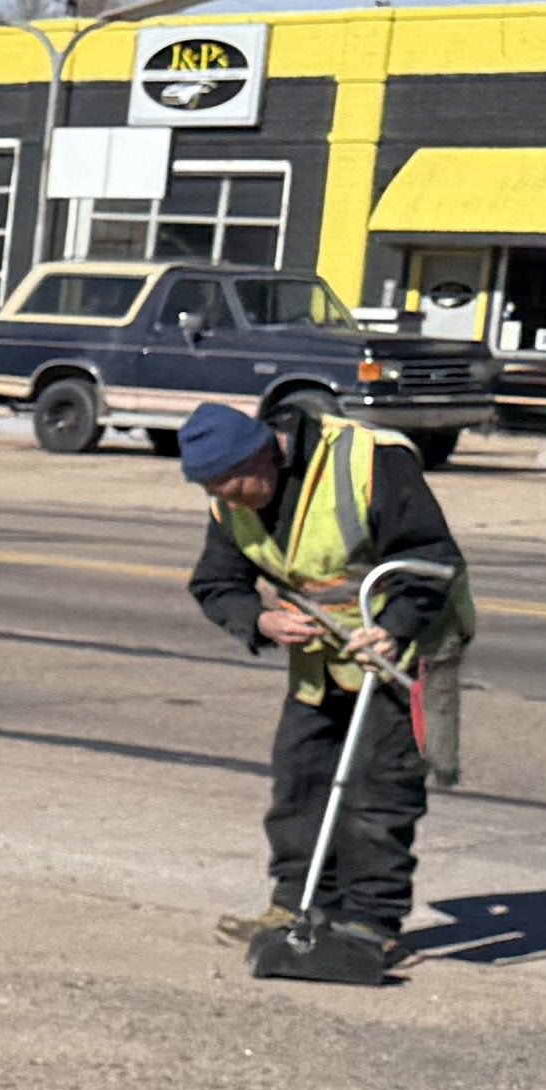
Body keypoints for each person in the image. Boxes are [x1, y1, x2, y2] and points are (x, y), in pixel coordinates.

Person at [180, 396, 467, 981]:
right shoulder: (228, 500)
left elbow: (431, 559)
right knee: (302, 776)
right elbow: (217, 582)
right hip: (321, 656)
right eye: (215, 491)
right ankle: (299, 905)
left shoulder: (369, 461)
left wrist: (394, 629)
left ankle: (371, 924)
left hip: (403, 644)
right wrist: (261, 621)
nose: (228, 501)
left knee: (378, 788)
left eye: (235, 486)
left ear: (268, 453)